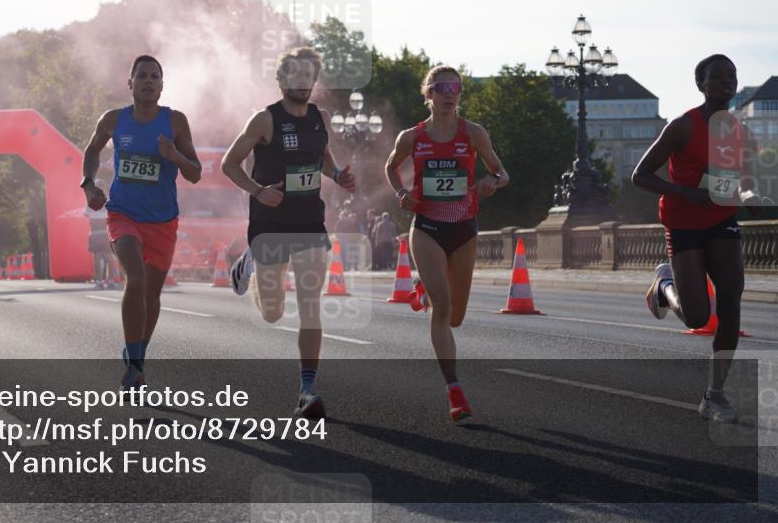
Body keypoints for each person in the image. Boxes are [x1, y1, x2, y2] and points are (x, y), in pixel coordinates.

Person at [223, 47, 357, 419]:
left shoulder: (320, 117)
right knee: (272, 312)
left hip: (310, 222)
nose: (302, 81)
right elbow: (229, 164)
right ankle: (248, 262)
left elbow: (322, 157)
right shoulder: (264, 120)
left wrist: (337, 175)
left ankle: (307, 389)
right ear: (281, 79)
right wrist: (258, 191)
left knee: (310, 305)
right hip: (269, 224)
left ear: (314, 80)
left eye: (308, 75)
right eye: (294, 74)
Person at [632, 54, 766, 423]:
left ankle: (715, 395)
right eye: (718, 77)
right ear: (701, 85)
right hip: (684, 224)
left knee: (731, 303)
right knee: (697, 317)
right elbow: (640, 175)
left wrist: (752, 198)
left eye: (732, 76)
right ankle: (664, 285)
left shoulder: (743, 134)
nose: (727, 82)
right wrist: (684, 192)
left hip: (722, 222)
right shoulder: (683, 126)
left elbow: (746, 182)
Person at [384, 65, 509, 422]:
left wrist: (493, 181)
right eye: (441, 87)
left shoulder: (474, 133)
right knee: (442, 309)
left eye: (455, 87)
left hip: (464, 229)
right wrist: (400, 193)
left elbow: (502, 172)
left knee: (455, 317)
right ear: (428, 94)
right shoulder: (412, 137)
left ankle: (424, 287)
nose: (449, 93)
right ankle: (454, 391)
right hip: (426, 228)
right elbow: (390, 168)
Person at [81, 55, 202, 388]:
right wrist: (88, 185)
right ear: (130, 83)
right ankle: (134, 369)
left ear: (162, 85)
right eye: (142, 76)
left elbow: (195, 173)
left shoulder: (175, 121)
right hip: (123, 214)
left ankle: (137, 353)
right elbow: (92, 151)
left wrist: (175, 156)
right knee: (136, 280)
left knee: (152, 295)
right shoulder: (113, 120)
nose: (149, 81)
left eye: (154, 77)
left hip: (163, 219)